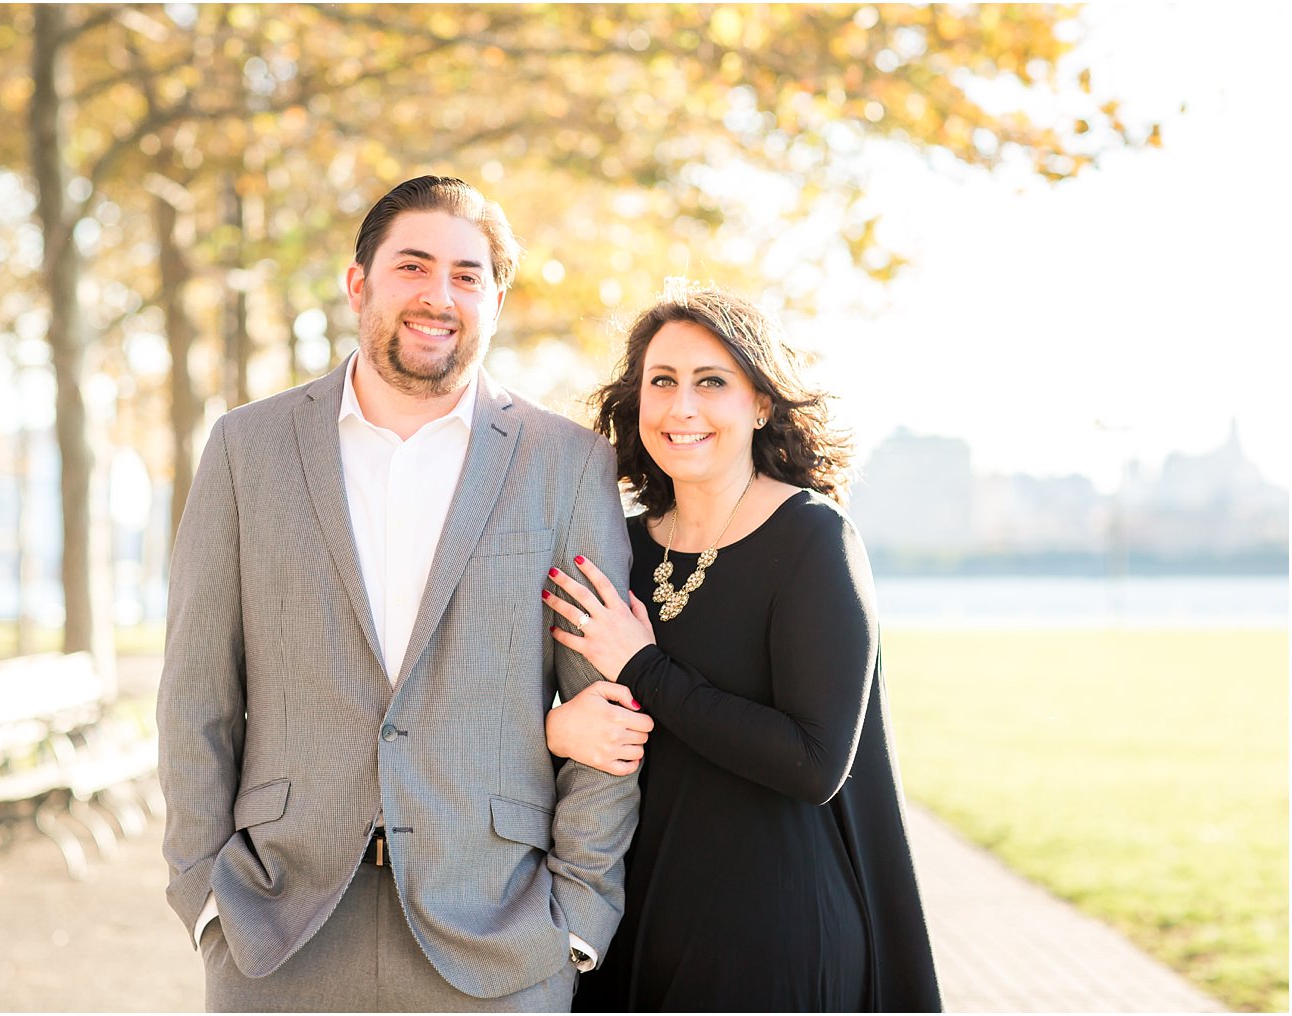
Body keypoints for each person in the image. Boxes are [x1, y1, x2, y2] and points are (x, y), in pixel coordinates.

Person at [157, 176, 640, 1012]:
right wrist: (204, 897)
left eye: (466, 275)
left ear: (496, 297)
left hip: (498, 933)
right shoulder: (248, 449)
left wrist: (577, 916)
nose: (438, 295)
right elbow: (195, 692)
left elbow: (608, 702)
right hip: (278, 929)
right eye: (413, 266)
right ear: (360, 284)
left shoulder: (568, 464)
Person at [540, 285, 942, 1012]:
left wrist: (643, 667)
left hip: (773, 934)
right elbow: (541, 710)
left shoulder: (811, 539)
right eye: (661, 382)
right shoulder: (617, 547)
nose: (681, 407)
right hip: (628, 926)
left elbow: (814, 761)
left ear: (759, 404)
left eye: (712, 382)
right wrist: (552, 729)